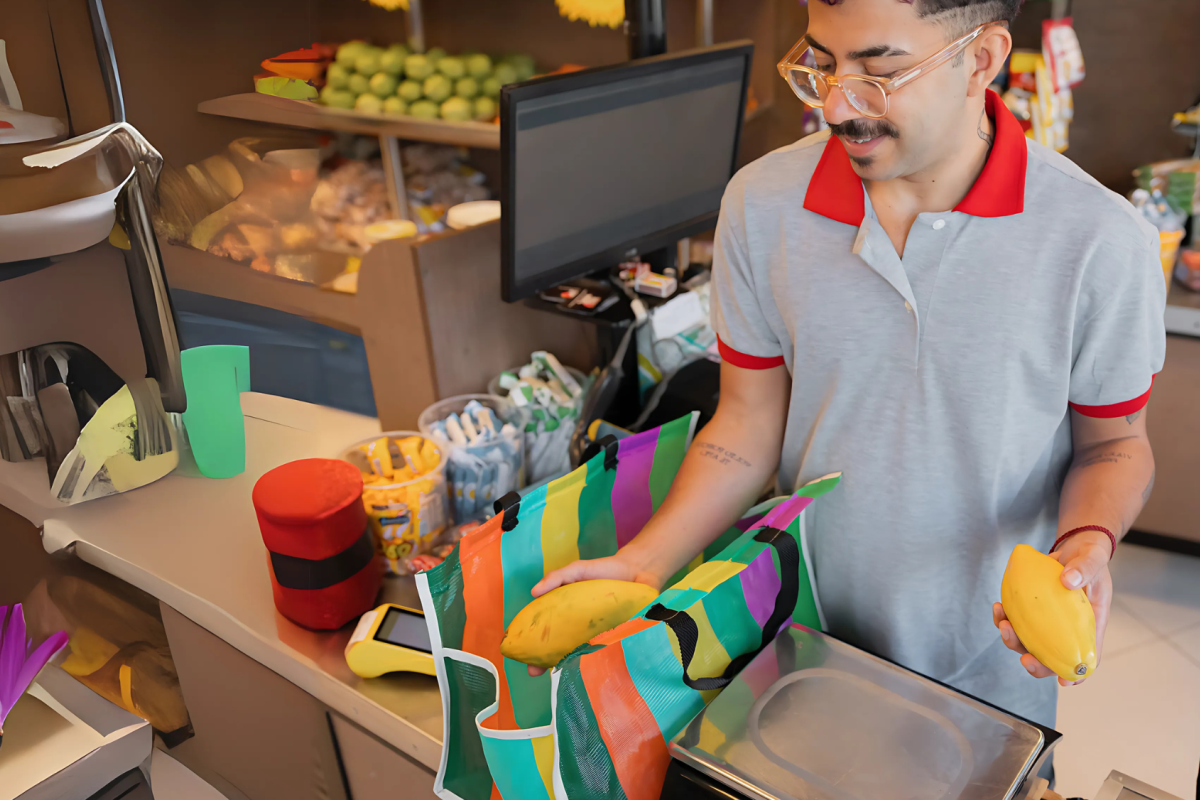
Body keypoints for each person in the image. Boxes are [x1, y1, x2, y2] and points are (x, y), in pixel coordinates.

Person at [533, 0, 1165, 750]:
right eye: (822, 64)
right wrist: (646, 561)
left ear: (983, 58)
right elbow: (746, 423)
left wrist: (1086, 543)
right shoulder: (762, 205)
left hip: (989, 652)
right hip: (802, 633)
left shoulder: (1098, 240)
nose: (838, 105)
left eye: (882, 69)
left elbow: (1115, 446)